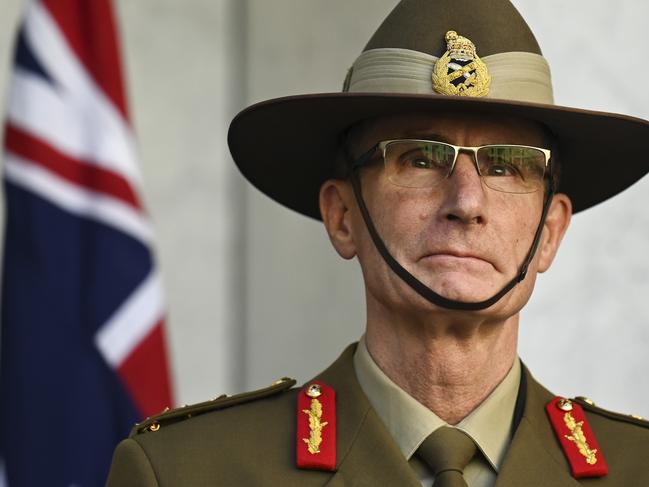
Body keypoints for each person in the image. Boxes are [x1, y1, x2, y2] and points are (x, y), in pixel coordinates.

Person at [106, 0, 649, 485]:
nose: (466, 202)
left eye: (506, 165)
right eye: (419, 158)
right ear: (343, 217)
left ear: (550, 231)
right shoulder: (189, 472)